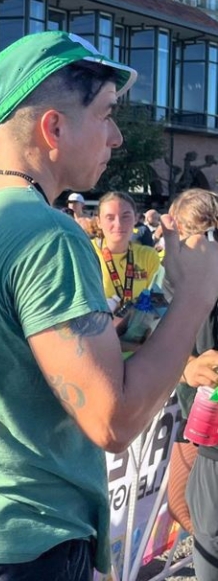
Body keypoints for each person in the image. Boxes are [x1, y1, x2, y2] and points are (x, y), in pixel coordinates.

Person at [0, 30, 218, 579]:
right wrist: (195, 294)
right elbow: (113, 419)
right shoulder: (48, 234)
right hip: (30, 541)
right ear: (54, 127)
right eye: (106, 115)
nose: (117, 137)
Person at [164, 188, 218, 580]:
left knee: (207, 533)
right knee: (186, 509)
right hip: (199, 423)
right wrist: (187, 368)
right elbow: (157, 341)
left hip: (210, 439)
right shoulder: (176, 275)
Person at [92, 191, 162, 317]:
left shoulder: (148, 256)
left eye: (125, 216)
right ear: (98, 222)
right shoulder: (87, 251)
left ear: (136, 218)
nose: (118, 224)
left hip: (137, 332)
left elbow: (159, 303)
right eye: (110, 217)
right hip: (97, 331)